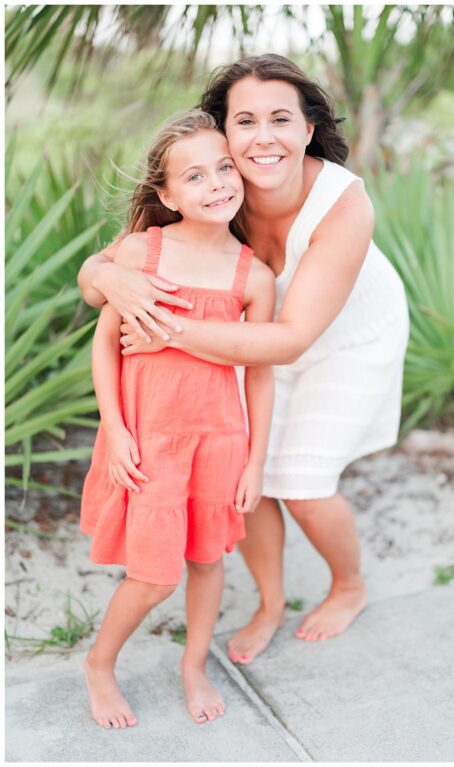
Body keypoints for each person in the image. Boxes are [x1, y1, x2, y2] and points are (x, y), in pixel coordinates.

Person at [77, 54, 409, 665]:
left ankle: (349, 584)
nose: (264, 138)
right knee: (247, 482)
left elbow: (290, 341)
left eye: (281, 119)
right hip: (241, 338)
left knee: (301, 480)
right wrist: (108, 277)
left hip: (347, 340)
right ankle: (271, 602)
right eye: (245, 121)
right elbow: (107, 269)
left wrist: (167, 329)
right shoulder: (216, 185)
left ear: (309, 129)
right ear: (221, 130)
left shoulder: (344, 203)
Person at [79, 110, 276, 729]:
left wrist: (256, 458)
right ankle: (99, 664)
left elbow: (261, 370)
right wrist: (114, 428)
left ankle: (194, 664)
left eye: (224, 167)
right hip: (151, 436)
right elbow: (105, 342)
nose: (217, 183)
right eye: (195, 176)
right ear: (166, 194)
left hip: (220, 439)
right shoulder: (142, 252)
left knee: (207, 559)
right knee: (154, 574)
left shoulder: (254, 275)